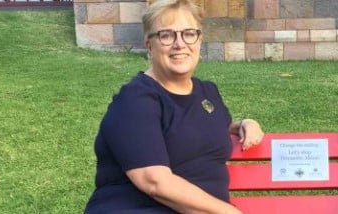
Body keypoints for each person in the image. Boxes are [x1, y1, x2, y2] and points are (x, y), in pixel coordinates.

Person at [84, 0, 264, 213]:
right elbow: (155, 182)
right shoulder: (135, 100)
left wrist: (243, 124)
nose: (180, 44)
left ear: (199, 40)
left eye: (189, 33)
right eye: (166, 35)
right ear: (149, 45)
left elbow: (199, 127)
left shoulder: (207, 92)